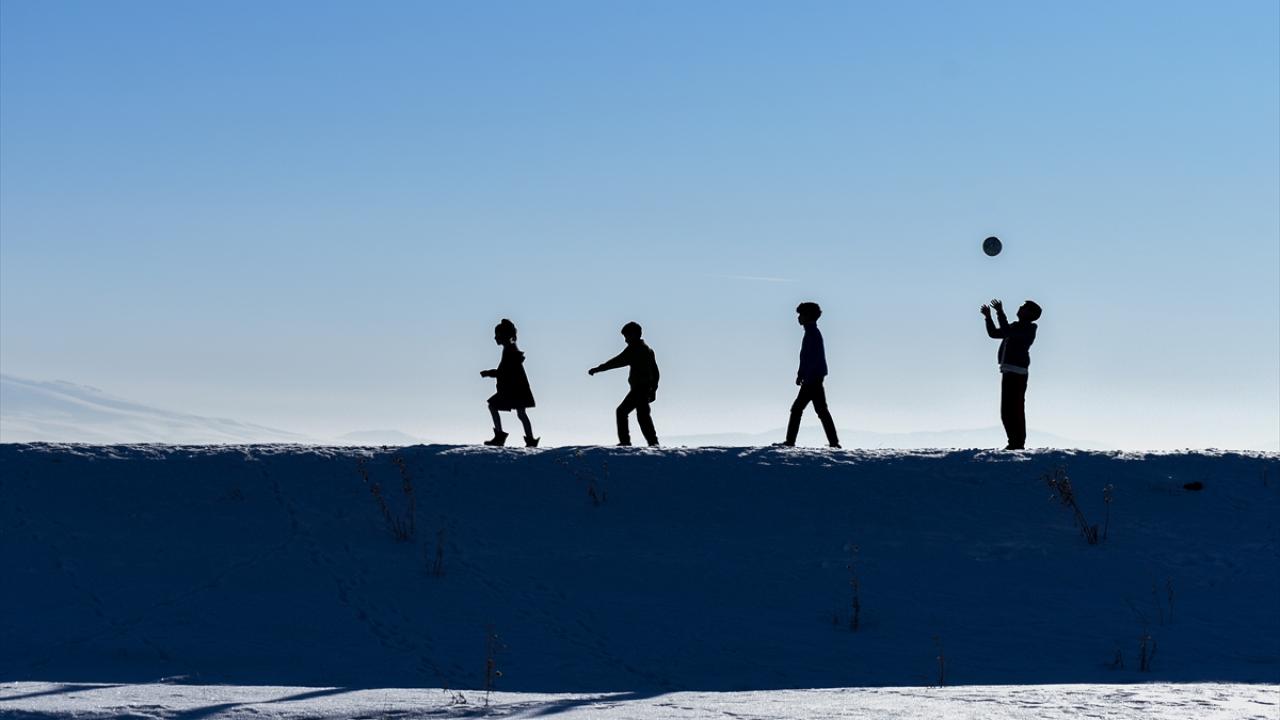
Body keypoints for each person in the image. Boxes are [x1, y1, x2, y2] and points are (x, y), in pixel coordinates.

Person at [980, 298, 1042, 450]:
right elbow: (994, 333)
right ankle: (1014, 442)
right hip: (1009, 371)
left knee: (1014, 410)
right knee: (1007, 411)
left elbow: (1006, 331)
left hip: (1017, 373)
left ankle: (1016, 443)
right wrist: (988, 317)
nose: (1020, 308)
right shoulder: (1015, 327)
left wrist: (1000, 312)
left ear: (1029, 313)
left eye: (1023, 307)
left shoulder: (1029, 328)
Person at [588, 322, 660, 446]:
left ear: (634, 335)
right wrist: (653, 389)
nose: (626, 340)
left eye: (627, 337)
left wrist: (598, 369)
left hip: (640, 389)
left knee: (623, 412)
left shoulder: (636, 349)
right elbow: (656, 372)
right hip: (644, 389)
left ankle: (627, 442)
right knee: (642, 416)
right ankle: (652, 443)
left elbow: (617, 361)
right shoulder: (647, 349)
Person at [782, 302, 841, 448]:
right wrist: (801, 373)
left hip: (812, 379)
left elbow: (813, 359)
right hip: (813, 378)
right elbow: (806, 358)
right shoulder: (811, 333)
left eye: (801, 314)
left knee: (798, 409)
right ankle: (834, 443)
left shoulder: (812, 334)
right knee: (821, 410)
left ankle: (790, 442)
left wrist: (806, 376)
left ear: (809, 316)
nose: (799, 318)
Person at [480, 319, 538, 447]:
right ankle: (530, 439)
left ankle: (500, 436)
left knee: (493, 406)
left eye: (497, 335)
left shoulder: (509, 351)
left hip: (513, 389)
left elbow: (504, 372)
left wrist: (489, 373)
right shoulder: (510, 349)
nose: (495, 338)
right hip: (518, 388)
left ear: (503, 336)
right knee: (521, 413)